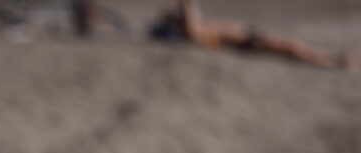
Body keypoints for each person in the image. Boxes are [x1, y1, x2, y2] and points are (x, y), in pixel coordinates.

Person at [150, 0, 359, 70]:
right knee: (292, 48)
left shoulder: (193, 28)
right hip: (247, 42)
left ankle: (335, 59)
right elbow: (191, 25)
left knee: (293, 47)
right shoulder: (191, 31)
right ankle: (336, 61)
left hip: (249, 37)